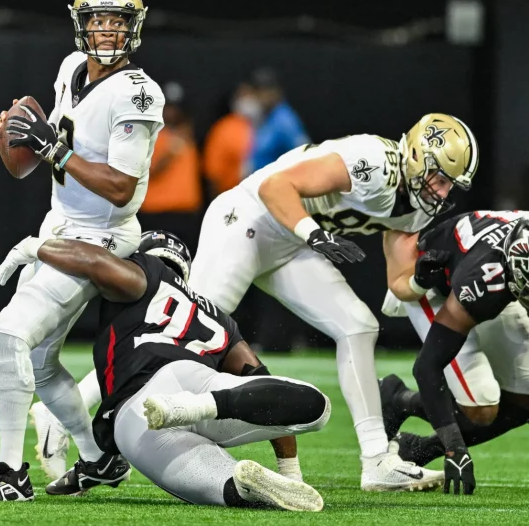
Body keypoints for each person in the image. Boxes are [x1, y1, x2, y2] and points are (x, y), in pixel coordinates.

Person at [186, 113, 479, 491]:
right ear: (419, 158)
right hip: (249, 219)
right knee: (192, 333)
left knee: (359, 325)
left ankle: (377, 460)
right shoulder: (374, 162)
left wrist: (426, 280)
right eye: (440, 179)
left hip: (291, 244)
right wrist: (315, 235)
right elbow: (275, 187)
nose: (442, 192)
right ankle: (116, 420)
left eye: (450, 185)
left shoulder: (419, 204)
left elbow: (397, 280)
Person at [0, 0, 165, 502]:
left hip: (101, 237)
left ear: (133, 28)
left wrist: (56, 151)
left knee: (10, 333)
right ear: (80, 24)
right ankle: (98, 461)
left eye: (116, 21)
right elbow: (27, 169)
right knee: (40, 361)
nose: (105, 30)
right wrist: (17, 143)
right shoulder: (71, 68)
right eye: (97, 20)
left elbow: (120, 188)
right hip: (61, 226)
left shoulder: (139, 91)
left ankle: (10, 474)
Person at [0, 231, 329, 510]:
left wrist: (35, 246)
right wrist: (290, 468)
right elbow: (263, 387)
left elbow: (93, 260)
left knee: (224, 487)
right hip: (206, 387)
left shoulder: (142, 272)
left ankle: (209, 439)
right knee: (316, 407)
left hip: (139, 412)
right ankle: (235, 441)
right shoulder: (219, 320)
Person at [378, 210, 529, 495]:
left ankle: (419, 447)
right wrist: (454, 448)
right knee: (481, 407)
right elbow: (428, 366)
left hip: (500, 281)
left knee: (525, 397)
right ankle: (397, 398)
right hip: (438, 288)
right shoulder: (481, 279)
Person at [138, 81, 202, 251]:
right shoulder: (149, 134)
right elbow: (141, 172)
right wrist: (168, 154)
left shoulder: (188, 135)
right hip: (158, 213)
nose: (171, 112)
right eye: (167, 107)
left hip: (186, 215)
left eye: (176, 107)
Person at [246, 68, 309, 172]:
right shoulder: (264, 117)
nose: (263, 96)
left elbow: (304, 155)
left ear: (277, 91)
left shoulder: (285, 121)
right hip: (259, 182)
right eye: (258, 91)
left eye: (267, 90)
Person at [203, 82, 255, 197]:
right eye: (243, 96)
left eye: (252, 95)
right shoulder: (225, 128)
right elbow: (214, 174)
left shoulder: (269, 125)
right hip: (235, 197)